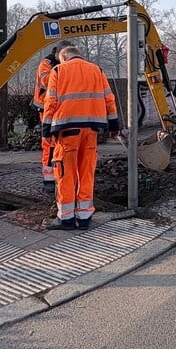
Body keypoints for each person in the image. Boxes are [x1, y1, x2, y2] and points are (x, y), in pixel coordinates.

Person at [41, 46, 121, 230]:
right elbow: (109, 99)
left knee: (65, 174)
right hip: (92, 130)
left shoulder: (59, 70)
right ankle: (84, 218)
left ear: (63, 56)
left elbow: (50, 101)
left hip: (67, 130)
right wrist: (114, 126)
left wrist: (46, 130)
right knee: (86, 172)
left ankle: (66, 219)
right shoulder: (96, 70)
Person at [32, 40, 74, 193]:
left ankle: (58, 175)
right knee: (48, 143)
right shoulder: (47, 64)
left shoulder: (58, 65)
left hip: (57, 108)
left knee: (58, 143)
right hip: (45, 107)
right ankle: (49, 180)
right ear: (58, 53)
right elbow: (47, 80)